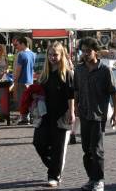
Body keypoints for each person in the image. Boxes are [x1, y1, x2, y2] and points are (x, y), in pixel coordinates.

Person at [74, 37, 116, 191]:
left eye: (89, 51)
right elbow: (76, 90)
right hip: (84, 114)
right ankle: (91, 178)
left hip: (99, 115)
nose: (86, 54)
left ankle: (99, 180)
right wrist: (75, 106)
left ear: (96, 51)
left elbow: (114, 92)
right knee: (86, 150)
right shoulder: (79, 70)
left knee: (97, 149)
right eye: (83, 51)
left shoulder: (104, 70)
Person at [33, 42, 75, 188]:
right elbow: (39, 92)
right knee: (38, 141)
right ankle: (54, 165)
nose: (52, 57)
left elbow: (71, 95)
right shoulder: (45, 74)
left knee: (58, 146)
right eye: (50, 54)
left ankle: (54, 176)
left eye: (55, 54)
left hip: (61, 114)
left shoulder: (67, 74)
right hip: (45, 114)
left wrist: (72, 112)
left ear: (61, 55)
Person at [14, 37, 36, 125]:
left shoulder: (21, 54)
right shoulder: (33, 54)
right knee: (30, 100)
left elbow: (18, 70)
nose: (16, 47)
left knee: (22, 100)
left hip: (22, 81)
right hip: (30, 81)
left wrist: (15, 80)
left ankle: (24, 119)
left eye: (17, 44)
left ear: (23, 44)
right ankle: (32, 117)